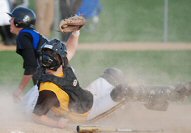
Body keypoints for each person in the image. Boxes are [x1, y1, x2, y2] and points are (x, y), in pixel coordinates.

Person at [31, 39, 191, 128]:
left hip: (87, 96)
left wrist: (76, 32)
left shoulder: (59, 66)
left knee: (113, 73)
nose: (65, 55)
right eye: (61, 54)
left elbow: (71, 48)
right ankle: (177, 93)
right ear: (56, 60)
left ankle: (148, 102)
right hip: (86, 113)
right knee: (123, 91)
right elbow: (37, 116)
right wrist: (58, 123)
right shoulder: (49, 91)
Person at [8, 6, 80, 102]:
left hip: (50, 78)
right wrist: (75, 34)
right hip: (65, 74)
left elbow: (31, 67)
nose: (9, 21)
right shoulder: (33, 34)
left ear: (19, 22)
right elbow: (68, 53)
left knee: (26, 108)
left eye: (12, 19)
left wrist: (19, 90)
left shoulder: (23, 36)